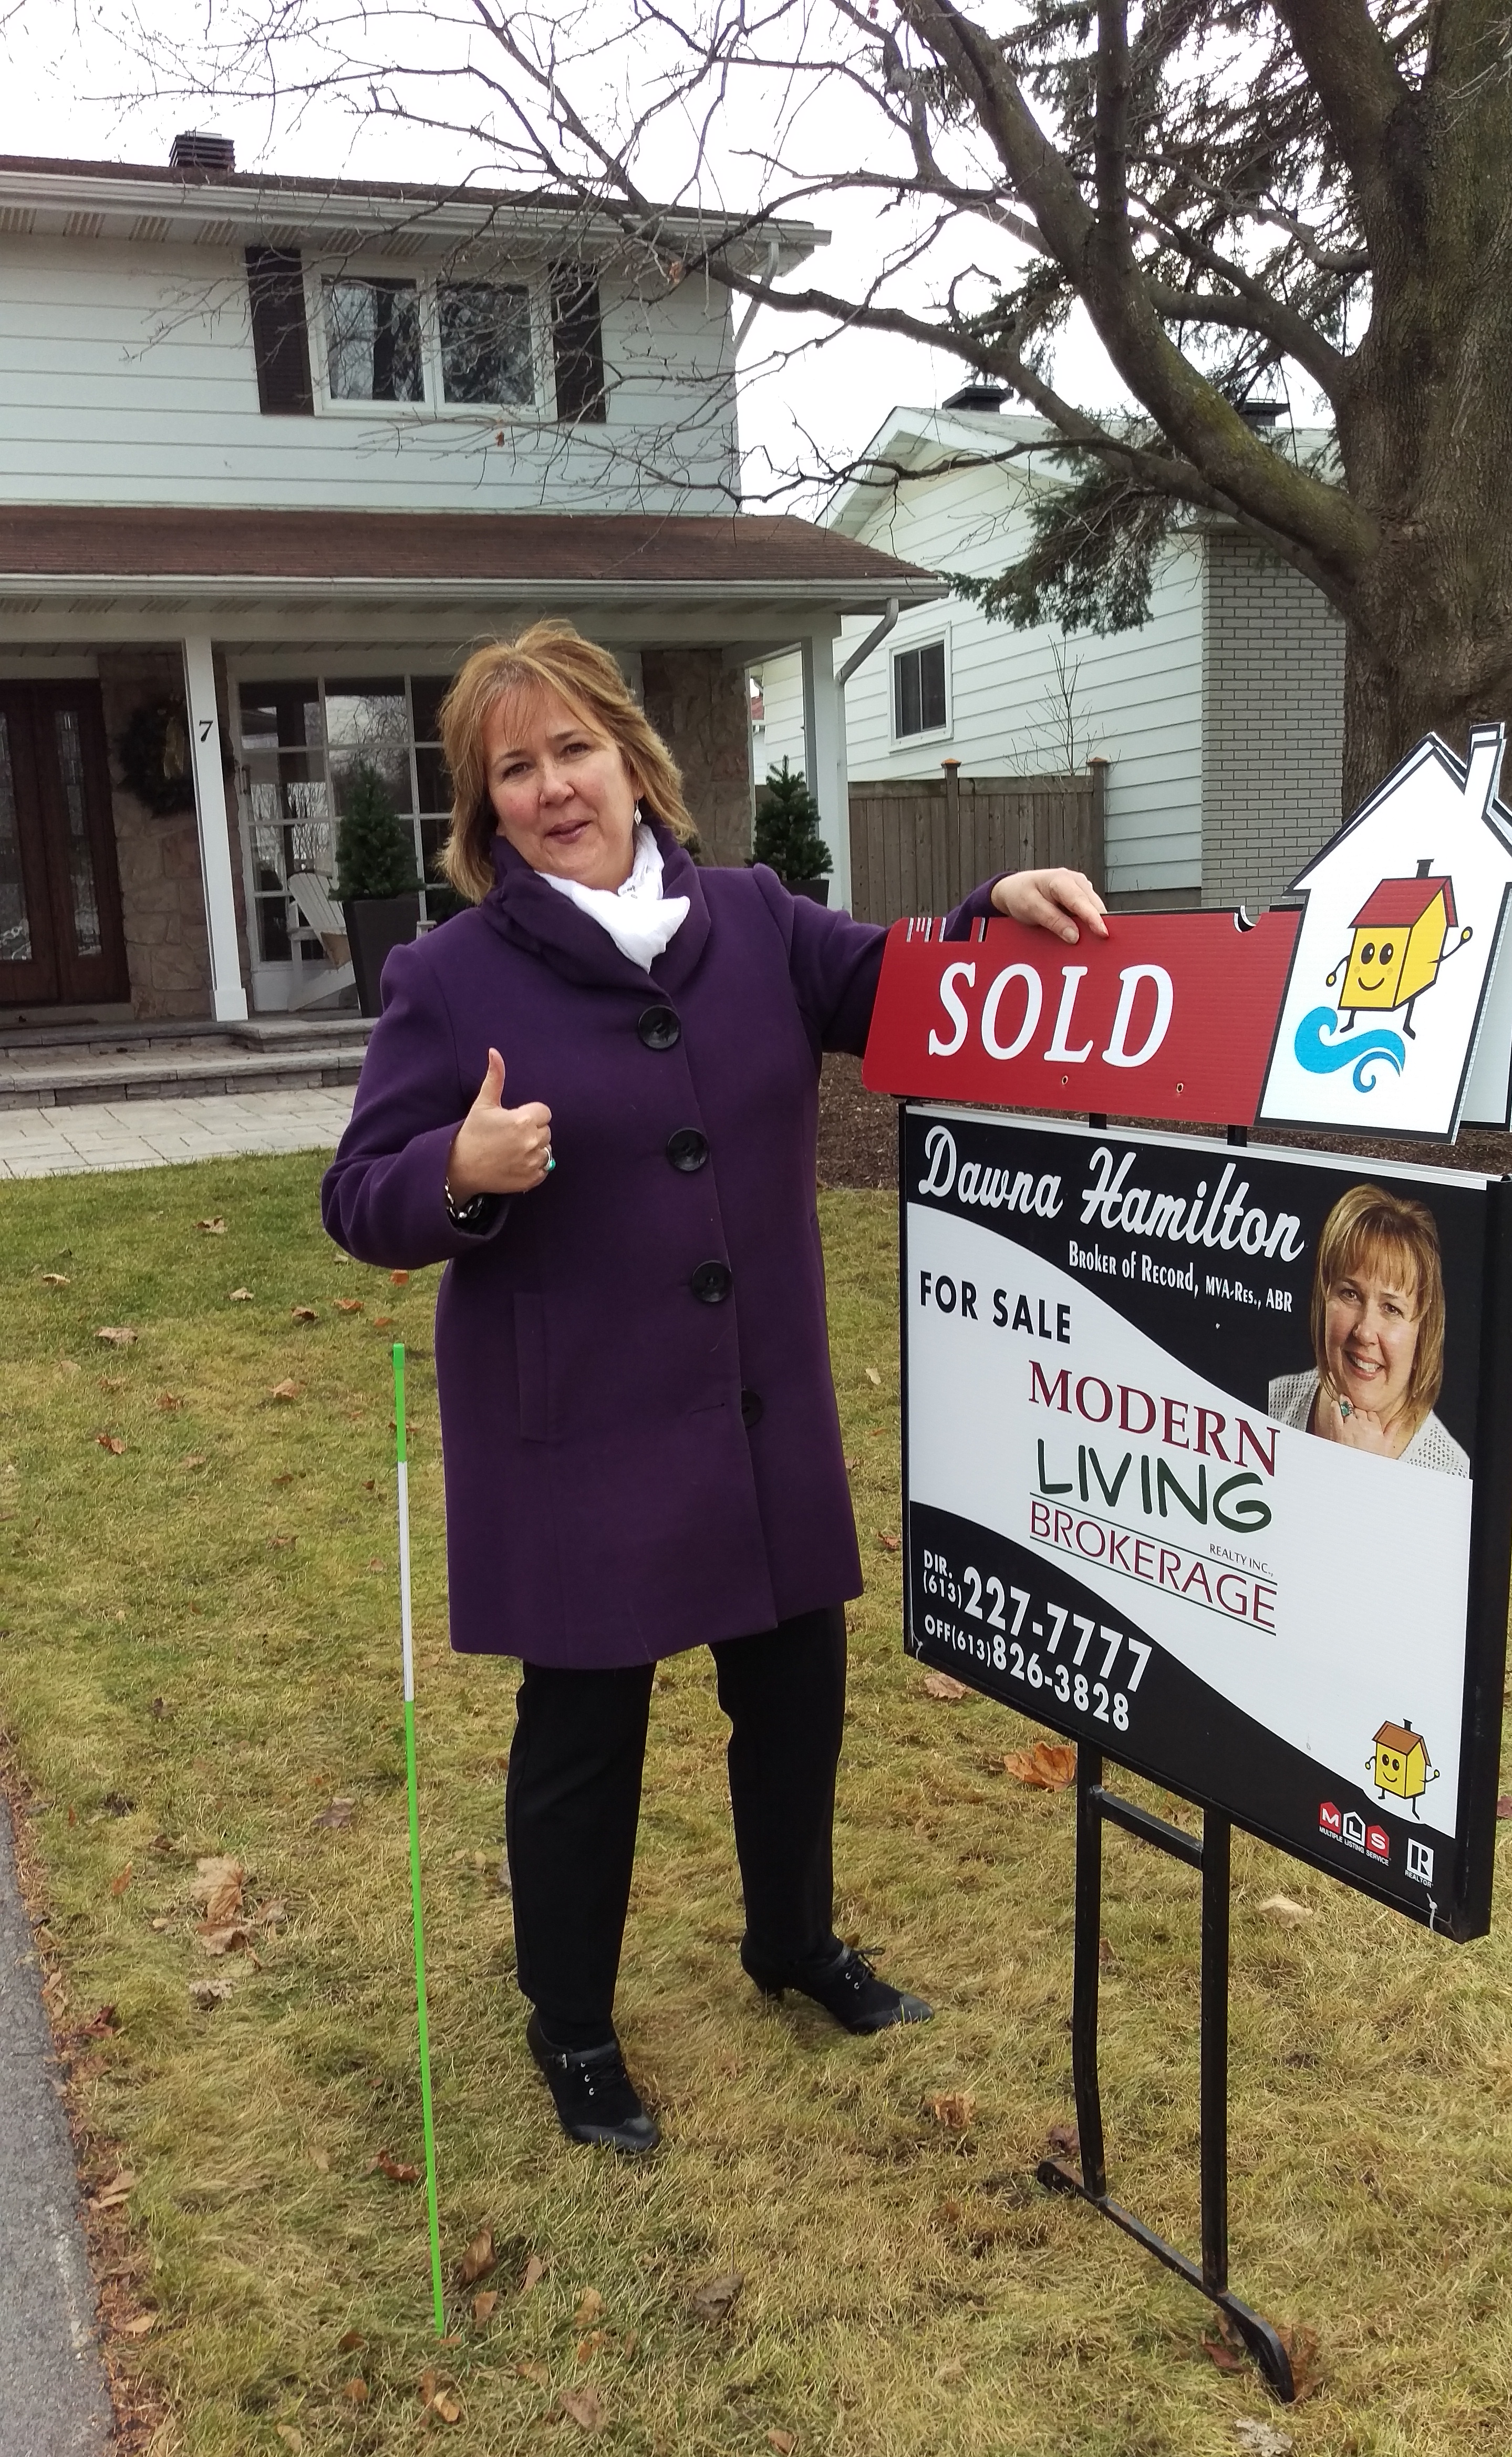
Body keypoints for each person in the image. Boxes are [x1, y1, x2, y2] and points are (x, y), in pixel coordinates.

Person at [322, 621, 1109, 2153]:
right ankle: (574, 2025)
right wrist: (454, 1174)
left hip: (754, 1409)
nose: (557, 786)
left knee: (795, 1690)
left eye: (575, 749)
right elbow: (359, 1195)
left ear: (632, 758)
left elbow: (898, 988)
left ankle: (792, 1942)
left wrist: (990, 909)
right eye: (517, 768)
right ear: (488, 812)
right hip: (578, 1426)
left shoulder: (749, 918)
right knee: (586, 1735)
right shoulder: (451, 976)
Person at [1268, 1182, 1469, 1475]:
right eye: (1350, 1294)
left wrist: (1367, 1478)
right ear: (1325, 1295)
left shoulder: (1448, 1473)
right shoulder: (1272, 1404)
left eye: (1392, 1308)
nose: (1364, 1332)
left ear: (1422, 1331)